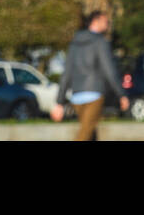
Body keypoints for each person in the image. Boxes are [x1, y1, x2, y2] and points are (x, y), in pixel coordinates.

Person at [51, 10, 129, 140]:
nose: (108, 24)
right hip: (95, 95)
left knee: (90, 132)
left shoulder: (74, 43)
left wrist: (60, 102)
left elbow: (67, 73)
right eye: (106, 21)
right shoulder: (101, 42)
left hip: (76, 97)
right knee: (85, 134)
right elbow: (109, 70)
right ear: (95, 21)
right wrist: (121, 94)